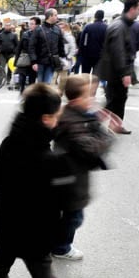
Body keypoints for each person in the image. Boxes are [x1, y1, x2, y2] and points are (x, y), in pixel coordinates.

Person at [0, 83, 74, 278]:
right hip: (36, 226)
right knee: (40, 264)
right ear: (46, 118)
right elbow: (61, 196)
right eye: (56, 115)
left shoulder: (9, 144)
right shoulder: (47, 156)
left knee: (1, 261)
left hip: (7, 219)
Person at [52, 74, 115, 260]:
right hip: (69, 178)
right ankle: (61, 248)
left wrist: (95, 118)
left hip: (70, 176)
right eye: (90, 95)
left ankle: (54, 241)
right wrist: (108, 135)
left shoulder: (79, 115)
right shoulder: (72, 121)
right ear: (78, 99)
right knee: (74, 217)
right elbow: (91, 149)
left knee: (65, 214)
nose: (93, 99)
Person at [98, 0, 139, 134]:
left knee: (118, 99)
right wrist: (125, 73)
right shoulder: (119, 25)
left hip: (116, 71)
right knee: (113, 100)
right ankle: (96, 125)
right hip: (115, 72)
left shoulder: (123, 24)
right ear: (132, 8)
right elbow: (118, 52)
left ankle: (115, 125)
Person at [29, 8, 65, 84]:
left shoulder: (57, 28)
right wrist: (34, 62)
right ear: (50, 16)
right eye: (55, 15)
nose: (57, 17)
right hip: (40, 62)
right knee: (40, 83)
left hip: (52, 62)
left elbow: (60, 44)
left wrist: (63, 57)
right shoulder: (38, 29)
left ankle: (44, 95)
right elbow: (32, 46)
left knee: (47, 83)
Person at [14, 17, 40, 93]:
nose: (30, 25)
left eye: (32, 24)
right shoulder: (25, 34)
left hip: (34, 60)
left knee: (32, 79)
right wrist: (16, 61)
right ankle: (22, 92)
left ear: (37, 25)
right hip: (25, 59)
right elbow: (19, 48)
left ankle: (30, 94)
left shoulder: (40, 34)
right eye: (29, 24)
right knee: (21, 78)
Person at [79, 10, 107, 75]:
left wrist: (81, 54)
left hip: (87, 56)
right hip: (100, 56)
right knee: (96, 77)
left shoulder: (88, 27)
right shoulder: (106, 28)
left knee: (85, 76)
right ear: (103, 17)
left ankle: (86, 85)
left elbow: (82, 42)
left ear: (95, 16)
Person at [52, 22, 77, 93]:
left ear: (66, 28)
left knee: (63, 79)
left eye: (62, 28)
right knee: (53, 78)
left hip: (64, 60)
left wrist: (68, 57)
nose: (60, 29)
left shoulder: (69, 37)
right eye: (58, 28)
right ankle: (52, 93)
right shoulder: (55, 36)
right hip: (55, 59)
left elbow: (73, 49)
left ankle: (59, 93)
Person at [130, 20, 139, 84]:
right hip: (132, 48)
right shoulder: (138, 25)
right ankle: (133, 79)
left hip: (120, 48)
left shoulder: (119, 23)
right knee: (130, 64)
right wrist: (138, 48)